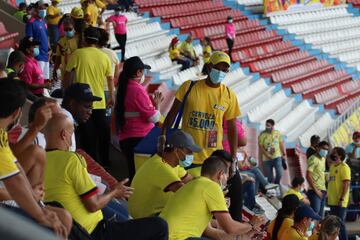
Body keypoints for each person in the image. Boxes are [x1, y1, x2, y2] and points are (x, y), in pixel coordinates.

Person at [43, 113, 169, 239]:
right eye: (71, 133)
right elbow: (93, 205)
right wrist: (115, 192)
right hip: (93, 232)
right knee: (160, 226)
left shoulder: (39, 161)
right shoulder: (71, 160)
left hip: (71, 230)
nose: (72, 138)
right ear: (64, 135)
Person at [0, 79, 70, 239]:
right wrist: (41, 215)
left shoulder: (2, 133)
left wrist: (36, 202)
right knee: (57, 226)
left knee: (62, 217)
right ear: (17, 113)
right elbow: (15, 181)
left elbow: (14, 167)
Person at [159, 51, 240, 176]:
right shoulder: (189, 87)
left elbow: (232, 127)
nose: (220, 72)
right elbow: (172, 113)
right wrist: (163, 135)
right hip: (186, 154)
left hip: (213, 158)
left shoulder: (229, 95)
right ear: (209, 67)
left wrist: (234, 157)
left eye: (224, 70)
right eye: (217, 68)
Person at [160, 156, 263, 240]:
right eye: (227, 176)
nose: (226, 180)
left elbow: (219, 226)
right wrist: (251, 224)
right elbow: (230, 228)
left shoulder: (193, 184)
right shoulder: (212, 187)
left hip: (165, 234)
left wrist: (246, 235)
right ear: (221, 175)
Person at [64, 26, 114, 167]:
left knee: (87, 134)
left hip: (82, 102)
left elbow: (67, 73)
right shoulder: (104, 56)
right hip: (99, 100)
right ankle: (106, 160)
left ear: (85, 39)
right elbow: (110, 79)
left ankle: (91, 163)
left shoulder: (78, 54)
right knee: (103, 133)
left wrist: (67, 91)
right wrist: (111, 96)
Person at [128, 130, 198, 218]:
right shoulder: (160, 167)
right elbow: (184, 192)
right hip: (146, 219)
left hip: (158, 212)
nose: (191, 155)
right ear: (176, 150)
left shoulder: (172, 164)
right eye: (189, 151)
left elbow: (192, 181)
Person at [115, 56, 163, 181]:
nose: (144, 74)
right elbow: (154, 117)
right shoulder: (137, 90)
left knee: (134, 173)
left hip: (127, 137)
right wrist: (157, 105)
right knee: (140, 176)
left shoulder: (123, 87)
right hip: (140, 138)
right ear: (138, 72)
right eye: (143, 71)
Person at [97, 28, 120, 122]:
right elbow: (116, 75)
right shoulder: (112, 54)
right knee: (107, 119)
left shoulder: (90, 53)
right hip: (108, 91)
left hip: (94, 90)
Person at [327, 147, 350, 240]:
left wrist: (342, 198)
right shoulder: (332, 166)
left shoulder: (344, 167)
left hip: (340, 201)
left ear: (340, 155)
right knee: (334, 224)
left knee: (340, 224)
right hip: (332, 200)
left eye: (334, 153)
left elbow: (346, 184)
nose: (332, 154)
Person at [25, 1, 50, 80]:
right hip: (38, 55)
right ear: (35, 9)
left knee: (46, 79)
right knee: (38, 79)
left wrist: (49, 49)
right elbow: (29, 38)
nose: (43, 10)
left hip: (46, 54)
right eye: (40, 8)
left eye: (44, 8)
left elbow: (46, 36)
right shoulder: (31, 22)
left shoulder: (43, 22)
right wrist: (35, 51)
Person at [258, 119, 287, 184]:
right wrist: (266, 155)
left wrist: (283, 154)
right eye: (266, 125)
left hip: (277, 156)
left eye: (268, 125)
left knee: (279, 173)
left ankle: (276, 184)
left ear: (272, 126)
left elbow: (281, 143)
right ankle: (272, 189)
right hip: (267, 159)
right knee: (270, 178)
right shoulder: (262, 134)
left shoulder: (277, 133)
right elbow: (261, 146)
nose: (266, 127)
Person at [306, 141, 329, 217]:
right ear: (318, 148)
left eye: (326, 149)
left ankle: (317, 229)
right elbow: (308, 175)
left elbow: (322, 175)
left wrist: (326, 190)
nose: (325, 151)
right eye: (323, 148)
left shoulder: (323, 159)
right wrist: (316, 191)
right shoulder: (313, 159)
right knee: (314, 214)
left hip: (322, 190)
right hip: (314, 191)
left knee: (320, 216)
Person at [53, 16, 79, 82]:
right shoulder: (61, 41)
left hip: (77, 72)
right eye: (65, 29)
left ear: (74, 28)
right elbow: (58, 58)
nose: (67, 31)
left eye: (70, 29)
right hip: (65, 72)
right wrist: (54, 70)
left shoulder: (79, 40)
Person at [346, 131, 360, 205]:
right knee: (355, 185)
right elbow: (352, 158)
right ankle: (355, 202)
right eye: (356, 137)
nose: (357, 139)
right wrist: (355, 148)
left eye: (358, 137)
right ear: (353, 138)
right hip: (354, 168)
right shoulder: (349, 146)